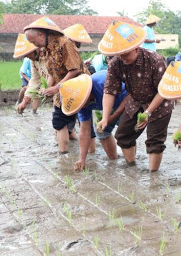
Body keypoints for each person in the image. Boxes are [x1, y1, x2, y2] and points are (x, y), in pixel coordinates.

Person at [97, 20, 173, 172]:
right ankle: (132, 167)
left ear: (136, 48)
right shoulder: (115, 63)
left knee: (154, 141)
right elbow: (109, 90)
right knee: (123, 135)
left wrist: (148, 113)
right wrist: (105, 117)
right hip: (136, 100)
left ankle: (153, 175)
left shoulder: (155, 60)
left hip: (159, 103)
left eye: (125, 54)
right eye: (119, 55)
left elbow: (163, 91)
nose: (122, 58)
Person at [24, 16, 89, 154]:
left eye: (33, 41)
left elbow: (75, 69)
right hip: (63, 88)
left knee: (85, 120)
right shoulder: (45, 49)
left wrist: (56, 87)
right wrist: (48, 88)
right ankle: (64, 155)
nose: (34, 44)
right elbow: (53, 73)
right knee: (59, 121)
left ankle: (91, 153)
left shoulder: (64, 43)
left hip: (79, 86)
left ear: (41, 35)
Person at [58, 72, 128, 171]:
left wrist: (113, 116)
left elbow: (130, 96)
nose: (82, 107)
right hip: (109, 108)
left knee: (125, 133)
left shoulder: (102, 82)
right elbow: (85, 130)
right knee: (101, 131)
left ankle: (131, 166)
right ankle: (114, 161)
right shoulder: (81, 104)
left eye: (81, 104)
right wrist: (82, 159)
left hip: (129, 100)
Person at [13, 34, 38, 113]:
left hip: (33, 77)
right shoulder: (29, 60)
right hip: (25, 75)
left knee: (36, 93)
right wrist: (29, 80)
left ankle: (34, 111)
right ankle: (19, 101)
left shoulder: (40, 57)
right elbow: (22, 72)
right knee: (25, 88)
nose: (26, 57)